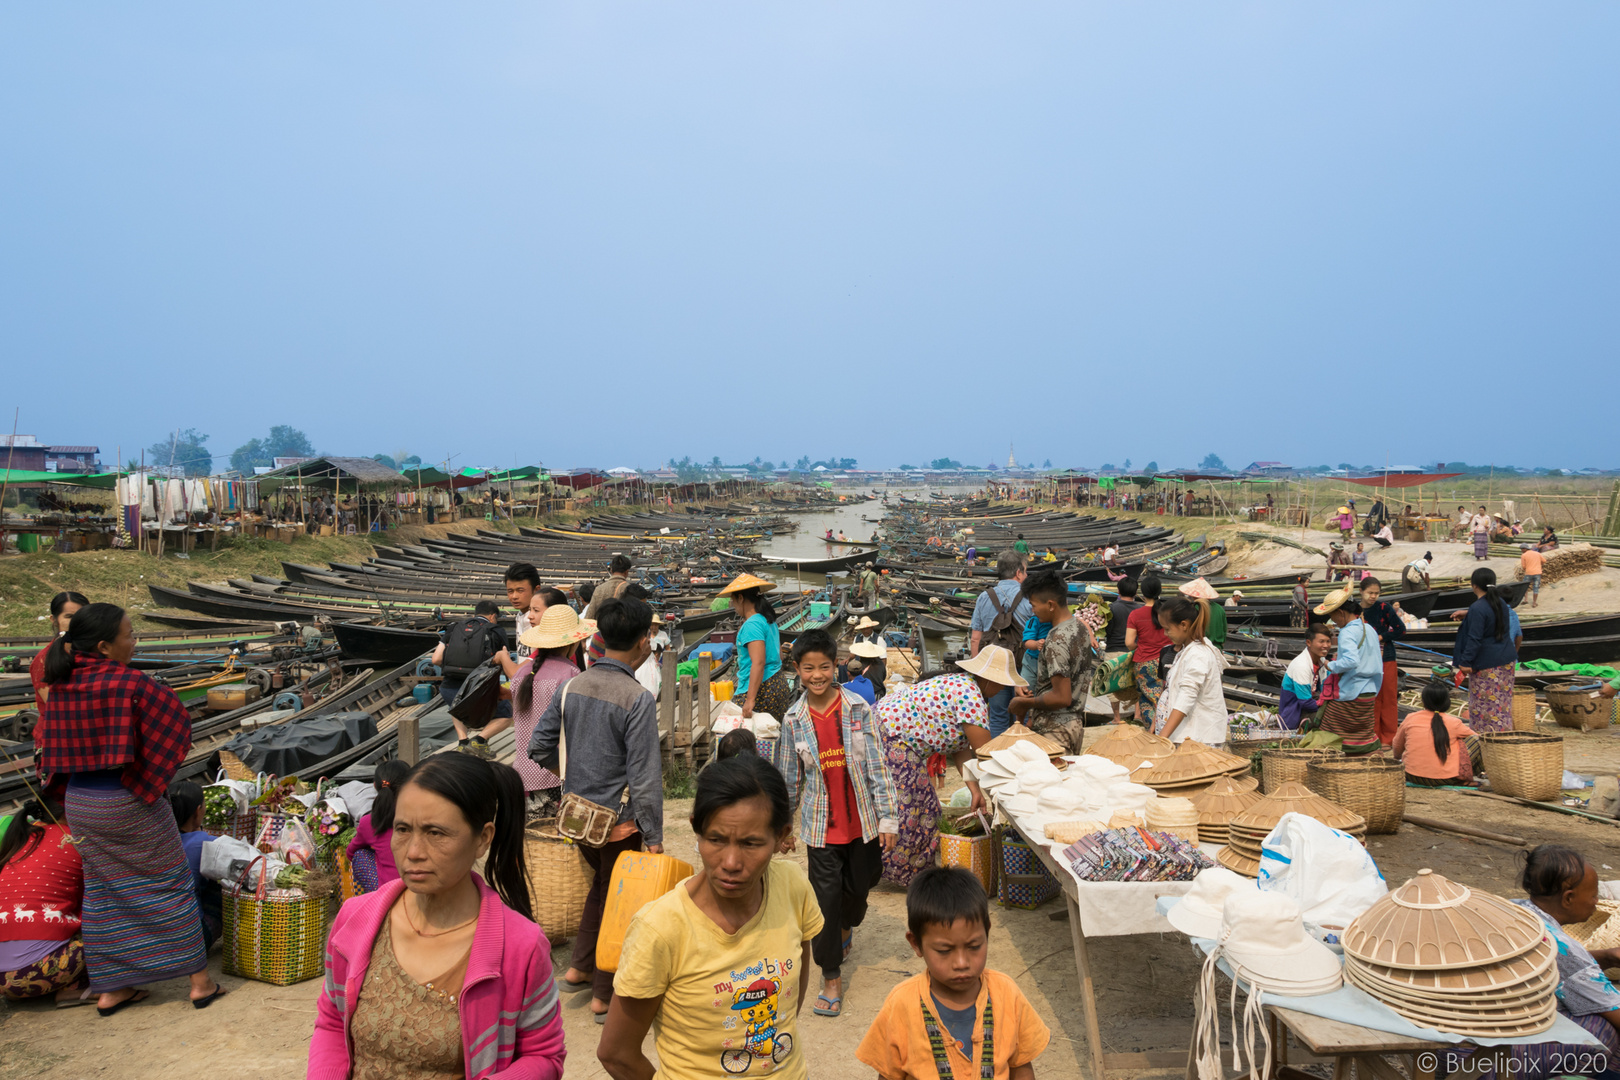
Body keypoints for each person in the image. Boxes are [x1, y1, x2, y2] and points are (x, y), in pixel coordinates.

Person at [310, 754, 566, 1080]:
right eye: (402, 829)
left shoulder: (521, 948)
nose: (414, 851)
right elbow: (333, 1020)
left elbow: (544, 1056)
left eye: (436, 833)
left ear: (483, 839)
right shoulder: (354, 921)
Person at [34, 603, 224, 1014]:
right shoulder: (131, 683)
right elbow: (174, 728)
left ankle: (112, 988)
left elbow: (48, 747)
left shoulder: (61, 683)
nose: (134, 641)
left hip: (82, 802)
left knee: (104, 891)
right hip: (128, 797)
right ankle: (199, 982)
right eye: (129, 634)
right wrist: (147, 780)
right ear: (104, 646)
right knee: (169, 883)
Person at [599, 754, 820, 1080]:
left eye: (751, 843)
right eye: (716, 839)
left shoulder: (792, 886)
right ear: (696, 830)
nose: (731, 862)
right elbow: (617, 1054)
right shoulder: (660, 929)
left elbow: (789, 1000)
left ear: (781, 837)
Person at [527, 595, 662, 1020]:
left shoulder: (572, 685)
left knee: (601, 889)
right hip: (619, 823)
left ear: (600, 638)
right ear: (644, 642)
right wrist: (654, 836)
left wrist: (573, 776)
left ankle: (579, 968)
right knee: (618, 900)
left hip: (576, 815)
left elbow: (539, 746)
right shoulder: (637, 697)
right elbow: (643, 777)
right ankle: (605, 991)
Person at [769, 630, 899, 1020]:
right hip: (820, 826)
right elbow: (789, 777)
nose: (817, 675)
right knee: (824, 900)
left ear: (836, 666)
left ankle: (847, 923)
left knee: (861, 888)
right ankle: (831, 976)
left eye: (824, 667)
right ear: (797, 670)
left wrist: (888, 816)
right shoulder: (793, 719)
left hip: (863, 821)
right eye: (808, 668)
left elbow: (877, 765)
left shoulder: (858, 708)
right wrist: (783, 827)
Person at [857, 867, 1050, 1080]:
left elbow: (1021, 1066)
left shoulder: (1006, 994)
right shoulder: (902, 1003)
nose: (961, 963)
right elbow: (888, 1074)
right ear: (916, 944)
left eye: (974, 946)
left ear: (987, 931)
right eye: (944, 951)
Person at [877, 647, 1022, 887]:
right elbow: (985, 756)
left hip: (888, 732)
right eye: (1002, 684)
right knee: (920, 808)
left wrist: (976, 791)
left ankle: (903, 867)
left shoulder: (961, 684)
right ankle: (909, 874)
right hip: (892, 738)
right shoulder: (971, 696)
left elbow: (961, 749)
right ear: (989, 679)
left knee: (914, 804)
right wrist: (1006, 793)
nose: (1002, 690)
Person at [1501, 845, 1620, 1076]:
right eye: (1594, 894)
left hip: (1449, 1042)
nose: (1596, 902)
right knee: (1603, 1027)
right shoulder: (1560, 947)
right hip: (1488, 1058)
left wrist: (1607, 956)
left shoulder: (1516, 909)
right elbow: (1613, 1009)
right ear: (1568, 898)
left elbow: (1556, 967)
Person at [0, 799, 87, 1005]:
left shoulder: (22, 839)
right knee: (115, 919)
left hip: (3, 983)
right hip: (37, 973)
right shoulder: (74, 840)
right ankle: (76, 988)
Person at [510, 605, 593, 808]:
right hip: (554, 773)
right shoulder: (570, 674)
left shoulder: (521, 674)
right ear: (573, 642)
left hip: (522, 772)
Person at [1008, 571, 1098, 752]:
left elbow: (1061, 697)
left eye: (1033, 605)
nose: (1032, 610)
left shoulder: (1056, 639)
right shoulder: (1079, 627)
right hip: (1074, 724)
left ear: (1050, 605)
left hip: (1055, 730)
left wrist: (1024, 703)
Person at [430, 600, 512, 756]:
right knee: (506, 716)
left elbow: (435, 659)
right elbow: (504, 658)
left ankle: (462, 742)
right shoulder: (495, 630)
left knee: (456, 709)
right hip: (478, 689)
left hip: (449, 687)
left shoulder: (454, 628)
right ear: (493, 616)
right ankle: (479, 741)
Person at [1312, 587, 1384, 756]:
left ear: (1341, 613)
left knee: (1327, 726)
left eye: (1333, 616)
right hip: (1370, 691)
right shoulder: (1369, 629)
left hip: (1352, 692)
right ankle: (1368, 754)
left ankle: (1334, 760)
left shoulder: (1347, 632)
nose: (1333, 620)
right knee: (1363, 732)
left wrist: (1332, 665)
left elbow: (1352, 661)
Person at [1149, 596, 1228, 744]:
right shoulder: (1187, 651)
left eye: (1167, 629)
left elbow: (1186, 699)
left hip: (1198, 740)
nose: (1165, 634)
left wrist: (1162, 738)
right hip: (1189, 737)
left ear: (1183, 625)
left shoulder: (1198, 655)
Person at [969, 554, 1031, 738]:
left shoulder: (984, 597)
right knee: (1023, 714)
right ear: (1018, 573)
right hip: (1023, 664)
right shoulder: (1029, 597)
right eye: (1025, 571)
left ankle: (997, 757)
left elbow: (975, 638)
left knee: (997, 716)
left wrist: (978, 670)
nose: (1026, 576)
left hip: (993, 666)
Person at [1452, 566, 1518, 734]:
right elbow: (1488, 615)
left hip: (1488, 665)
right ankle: (1504, 737)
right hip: (1506, 661)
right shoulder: (1500, 602)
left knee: (1486, 710)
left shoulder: (1478, 608)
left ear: (1474, 585)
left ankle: (1489, 743)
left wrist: (1465, 662)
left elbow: (1474, 638)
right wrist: (1468, 614)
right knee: (1502, 705)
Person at [721, 573, 790, 721]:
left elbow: (758, 662)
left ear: (740, 598)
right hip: (778, 683)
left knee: (740, 734)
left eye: (733, 601)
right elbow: (780, 656)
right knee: (770, 736)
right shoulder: (768, 620)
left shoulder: (752, 625)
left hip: (761, 689)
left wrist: (750, 699)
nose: (733, 607)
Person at [168, 781, 222, 950]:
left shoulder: (157, 841)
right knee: (221, 883)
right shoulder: (202, 841)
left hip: (157, 935)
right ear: (198, 810)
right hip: (191, 940)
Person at [1392, 681, 1476, 786]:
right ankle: (1471, 776)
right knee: (1474, 741)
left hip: (1411, 775)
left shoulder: (1411, 718)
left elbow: (1397, 745)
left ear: (1423, 701)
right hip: (1447, 778)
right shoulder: (1454, 722)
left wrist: (1397, 758)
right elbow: (1477, 738)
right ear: (1447, 702)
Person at [346, 758, 409, 893]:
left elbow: (350, 853)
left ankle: (375, 896)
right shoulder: (422, 815)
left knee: (360, 854)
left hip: (389, 892)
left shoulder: (369, 821)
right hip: (426, 885)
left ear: (374, 785)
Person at [1358, 577, 1407, 747]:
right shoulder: (1355, 610)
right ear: (1361, 592)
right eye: (1370, 593)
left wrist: (1381, 636)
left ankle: (1389, 738)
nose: (1373, 596)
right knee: (1371, 697)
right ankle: (1372, 736)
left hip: (1385, 657)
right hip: (1363, 659)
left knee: (1388, 697)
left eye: (1376, 593)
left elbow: (1401, 629)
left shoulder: (1384, 607)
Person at [30, 591, 86, 712]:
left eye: (82, 615)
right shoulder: (44, 660)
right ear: (54, 620)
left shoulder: (94, 653)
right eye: (69, 616)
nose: (77, 621)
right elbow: (57, 709)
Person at [1125, 575, 1170, 723]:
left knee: (1146, 702)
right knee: (1167, 700)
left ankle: (1152, 731)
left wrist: (1143, 645)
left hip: (1144, 663)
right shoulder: (1168, 612)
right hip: (1168, 663)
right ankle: (1165, 731)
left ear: (1142, 593)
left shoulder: (1135, 614)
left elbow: (1129, 643)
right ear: (1160, 591)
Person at [1279, 624, 1331, 730]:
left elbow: (1328, 688)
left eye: (1328, 641)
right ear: (1308, 642)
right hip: (1296, 714)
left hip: (1311, 705)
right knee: (1333, 716)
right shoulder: (1301, 665)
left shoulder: (1322, 662)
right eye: (1321, 641)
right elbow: (1305, 703)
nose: (1326, 645)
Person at [504, 562, 542, 659]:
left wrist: (504, 659)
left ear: (536, 590)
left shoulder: (542, 619)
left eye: (520, 590)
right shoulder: (520, 615)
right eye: (510, 591)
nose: (514, 596)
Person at [583, 554, 633, 620]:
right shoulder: (630, 589)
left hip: (601, 628)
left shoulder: (599, 589)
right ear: (627, 572)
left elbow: (589, 617)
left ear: (611, 570)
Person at [1179, 578, 1225, 647]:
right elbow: (1224, 632)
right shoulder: (1220, 609)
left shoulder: (1193, 608)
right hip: (1216, 649)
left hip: (1199, 647)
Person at [1520, 544, 1545, 609]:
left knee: (1525, 586)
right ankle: (1534, 603)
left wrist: (1527, 568)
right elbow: (1544, 561)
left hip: (1528, 573)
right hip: (1537, 573)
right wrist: (1539, 565)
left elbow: (1524, 566)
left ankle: (1526, 600)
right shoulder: (1537, 553)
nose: (1521, 551)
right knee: (1536, 587)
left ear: (1524, 549)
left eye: (1522, 549)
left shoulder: (1524, 555)